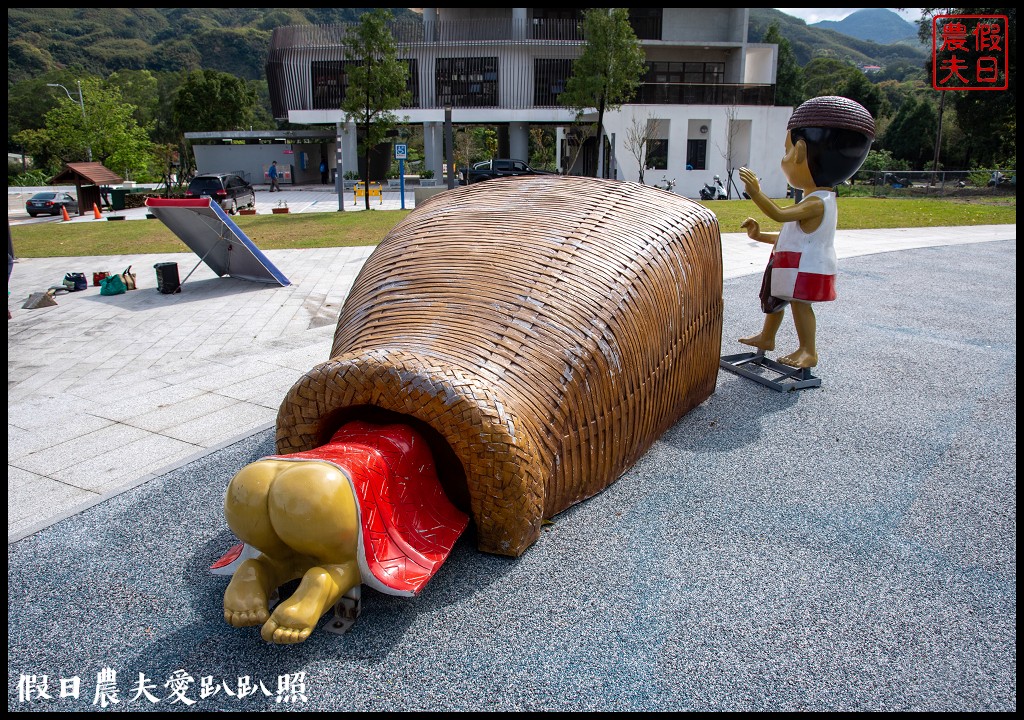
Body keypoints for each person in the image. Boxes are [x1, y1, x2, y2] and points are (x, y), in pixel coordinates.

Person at [737, 95, 874, 369]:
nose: (784, 159)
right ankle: (767, 337)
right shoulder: (813, 200)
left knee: (800, 304)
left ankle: (807, 350)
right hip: (794, 261)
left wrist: (755, 193)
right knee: (777, 300)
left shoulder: (816, 203)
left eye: (786, 151)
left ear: (800, 151)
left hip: (806, 266)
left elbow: (779, 214)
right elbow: (791, 237)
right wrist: (759, 236)